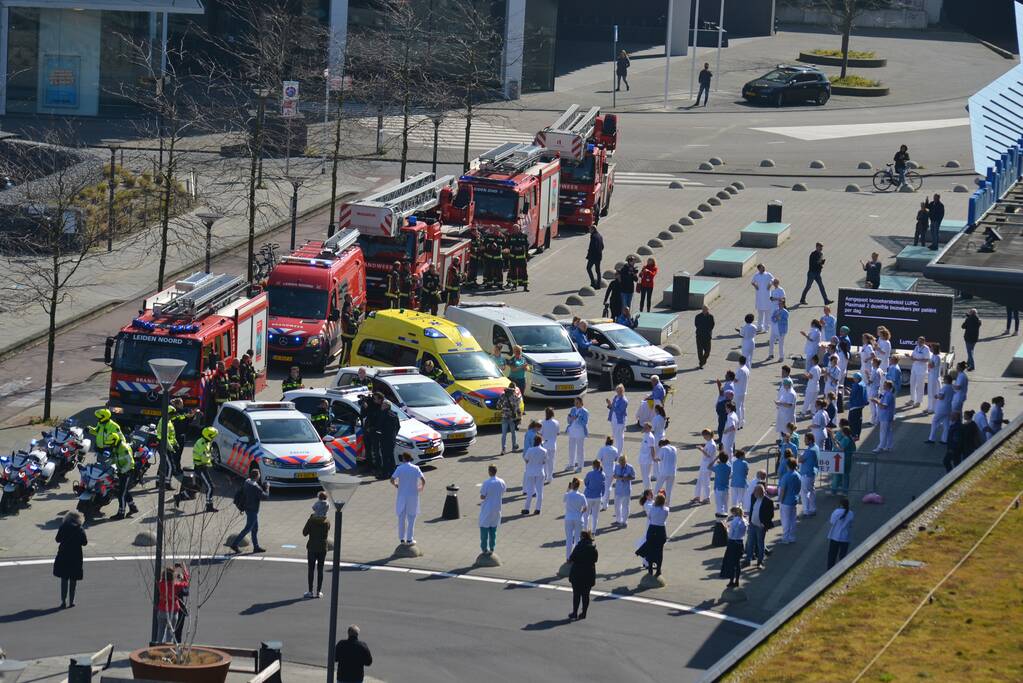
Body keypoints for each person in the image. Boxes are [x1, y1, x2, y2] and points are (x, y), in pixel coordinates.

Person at [230, 469, 270, 553]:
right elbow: (265, 496)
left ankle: (256, 547)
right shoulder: (255, 487)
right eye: (259, 474)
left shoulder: (247, 482)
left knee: (255, 528)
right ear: (257, 476)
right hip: (253, 510)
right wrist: (267, 487)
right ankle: (235, 544)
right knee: (248, 528)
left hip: (247, 508)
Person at [53, 511, 86, 608]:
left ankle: (63, 601)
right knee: (73, 579)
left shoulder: (63, 527)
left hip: (64, 555)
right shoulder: (80, 529)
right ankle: (72, 601)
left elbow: (57, 539)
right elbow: (84, 542)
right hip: (76, 556)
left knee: (64, 579)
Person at [300, 493, 330, 598]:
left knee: (311, 569)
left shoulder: (311, 521)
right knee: (320, 569)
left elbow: (304, 533)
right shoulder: (327, 522)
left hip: (312, 547)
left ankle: (310, 591)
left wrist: (310, 519)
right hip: (322, 547)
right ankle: (319, 591)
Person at [391, 453, 425, 545]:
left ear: (403, 459)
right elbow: (423, 479)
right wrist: (421, 487)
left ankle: (402, 539)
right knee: (411, 518)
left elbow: (392, 479)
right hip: (413, 497)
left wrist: (396, 485)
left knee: (401, 518)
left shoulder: (399, 468)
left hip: (402, 496)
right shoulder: (416, 468)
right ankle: (410, 539)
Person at [183, 427, 218, 513]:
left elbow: (208, 454)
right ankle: (209, 506)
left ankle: (179, 497)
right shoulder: (202, 444)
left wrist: (211, 457)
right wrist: (212, 460)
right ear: (208, 436)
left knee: (197, 487)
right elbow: (204, 458)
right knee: (210, 487)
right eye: (213, 436)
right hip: (200, 467)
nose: (214, 438)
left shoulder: (206, 441)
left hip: (202, 467)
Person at [637, 492, 669, 577]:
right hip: (661, 531)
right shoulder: (666, 509)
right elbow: (665, 517)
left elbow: (649, 517)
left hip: (652, 529)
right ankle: (658, 570)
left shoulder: (652, 508)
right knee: (660, 552)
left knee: (650, 549)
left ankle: (650, 569)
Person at [568, 531, 598, 620]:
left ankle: (575, 613)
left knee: (576, 595)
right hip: (588, 575)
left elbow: (572, 558)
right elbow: (595, 560)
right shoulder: (593, 548)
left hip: (577, 574)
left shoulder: (578, 547)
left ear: (582, 537)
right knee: (586, 595)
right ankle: (584, 613)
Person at [108, 432, 138, 519]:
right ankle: (133, 507)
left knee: (121, 493)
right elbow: (114, 458)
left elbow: (130, 462)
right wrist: (108, 464)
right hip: (121, 471)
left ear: (115, 441)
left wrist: (122, 471)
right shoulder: (116, 447)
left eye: (111, 443)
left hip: (127, 472)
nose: (110, 445)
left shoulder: (124, 448)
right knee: (123, 491)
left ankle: (121, 514)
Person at [156, 564, 189, 643]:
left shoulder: (161, 584)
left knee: (160, 632)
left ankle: (158, 647)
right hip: (173, 612)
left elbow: (162, 577)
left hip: (162, 610)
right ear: (173, 577)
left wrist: (172, 569)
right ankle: (168, 648)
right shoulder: (175, 586)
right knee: (170, 633)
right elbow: (186, 583)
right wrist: (184, 569)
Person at [478, 465, 506, 554]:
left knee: (484, 528)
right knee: (493, 529)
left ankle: (484, 549)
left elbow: (482, 496)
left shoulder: (487, 482)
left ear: (489, 472)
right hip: (497, 508)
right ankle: (492, 548)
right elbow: (503, 491)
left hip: (487, 508)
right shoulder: (501, 482)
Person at [744, 484, 773, 569]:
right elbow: (752, 510)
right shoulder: (753, 497)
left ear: (760, 493)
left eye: (755, 492)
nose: (753, 493)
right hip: (752, 524)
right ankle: (748, 560)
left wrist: (764, 524)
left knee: (760, 544)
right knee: (750, 543)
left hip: (760, 527)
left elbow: (770, 515)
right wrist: (750, 521)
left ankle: (760, 562)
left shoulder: (768, 501)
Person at [721, 506, 746, 588]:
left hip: (733, 544)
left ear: (734, 513)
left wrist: (726, 528)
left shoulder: (734, 522)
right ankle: (737, 581)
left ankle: (731, 580)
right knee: (737, 563)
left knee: (731, 563)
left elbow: (730, 535)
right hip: (740, 543)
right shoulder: (744, 520)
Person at [563, 478, 587, 561]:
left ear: (572, 486)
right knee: (577, 539)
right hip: (578, 518)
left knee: (569, 539)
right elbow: (585, 507)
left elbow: (564, 500)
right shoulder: (581, 496)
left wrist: (568, 489)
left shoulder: (568, 495)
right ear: (578, 486)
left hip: (569, 518)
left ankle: (568, 557)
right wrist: (580, 513)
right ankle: (576, 557)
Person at [778, 457, 801, 544]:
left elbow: (783, 490)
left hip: (786, 501)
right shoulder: (798, 475)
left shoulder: (786, 476)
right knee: (792, 519)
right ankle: (791, 536)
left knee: (785, 520)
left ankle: (785, 538)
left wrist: (780, 500)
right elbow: (799, 487)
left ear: (787, 465)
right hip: (794, 500)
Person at [522, 435, 547, 515]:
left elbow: (526, 460)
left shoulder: (530, 450)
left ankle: (527, 508)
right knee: (540, 492)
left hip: (531, 472)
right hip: (540, 472)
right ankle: (538, 509)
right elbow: (544, 461)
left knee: (530, 491)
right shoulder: (544, 451)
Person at [827, 498, 854, 569]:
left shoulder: (836, 512)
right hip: (845, 538)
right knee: (842, 556)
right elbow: (851, 525)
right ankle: (841, 569)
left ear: (840, 504)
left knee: (832, 555)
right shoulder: (851, 513)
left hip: (834, 536)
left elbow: (831, 522)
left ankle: (830, 570)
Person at [497, 382, 521, 455]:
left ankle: (503, 449)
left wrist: (503, 409)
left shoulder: (503, 395)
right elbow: (517, 408)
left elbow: (498, 406)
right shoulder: (515, 397)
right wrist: (519, 417)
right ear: (514, 388)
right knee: (513, 432)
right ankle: (514, 446)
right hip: (512, 418)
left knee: (504, 434)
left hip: (504, 416)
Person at [611, 454, 635, 526]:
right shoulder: (617, 466)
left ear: (625, 461)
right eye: (620, 463)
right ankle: (618, 520)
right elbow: (614, 475)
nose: (621, 464)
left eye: (623, 463)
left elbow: (633, 477)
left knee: (625, 506)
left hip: (626, 490)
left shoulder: (630, 467)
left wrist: (627, 478)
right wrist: (618, 477)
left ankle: (624, 521)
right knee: (617, 506)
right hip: (618, 489)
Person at [566, 397, 589, 472]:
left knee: (580, 450)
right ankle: (571, 465)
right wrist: (569, 418)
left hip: (580, 432)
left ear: (581, 403)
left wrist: (577, 419)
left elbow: (585, 422)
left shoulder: (585, 411)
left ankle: (580, 466)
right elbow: (569, 421)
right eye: (575, 402)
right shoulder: (573, 409)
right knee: (571, 449)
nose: (575, 404)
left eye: (577, 403)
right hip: (572, 431)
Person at [873, 379, 896, 452]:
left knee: (883, 432)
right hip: (887, 416)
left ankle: (880, 447)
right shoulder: (887, 393)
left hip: (885, 416)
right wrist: (878, 401)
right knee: (888, 432)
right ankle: (889, 446)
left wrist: (876, 402)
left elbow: (884, 406)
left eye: (884, 385)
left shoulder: (888, 395)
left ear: (888, 386)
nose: (883, 386)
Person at [583, 460, 606, 533]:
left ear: (593, 466)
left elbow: (586, 483)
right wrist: (602, 494)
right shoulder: (603, 474)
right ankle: (593, 531)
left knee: (586, 515)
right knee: (595, 516)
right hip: (598, 497)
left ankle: (585, 530)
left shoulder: (589, 474)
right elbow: (603, 486)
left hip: (588, 497)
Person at [751, 264, 774, 332]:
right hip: (760, 297)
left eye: (764, 267)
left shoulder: (768, 274)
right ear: (759, 269)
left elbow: (773, 279)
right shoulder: (756, 275)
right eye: (762, 267)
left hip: (767, 296)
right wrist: (755, 286)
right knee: (760, 314)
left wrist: (770, 284)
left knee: (767, 314)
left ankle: (766, 328)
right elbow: (752, 282)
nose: (764, 268)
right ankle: (759, 327)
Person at [596, 437, 618, 511]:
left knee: (602, 487)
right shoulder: (615, 449)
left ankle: (602, 502)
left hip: (603, 470)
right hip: (611, 471)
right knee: (608, 487)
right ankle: (605, 504)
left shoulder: (602, 449)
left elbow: (598, 459)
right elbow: (616, 459)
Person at [908, 336, 930, 407]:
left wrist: (917, 359)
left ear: (924, 342)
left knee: (920, 385)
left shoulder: (926, 348)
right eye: (918, 341)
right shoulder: (916, 347)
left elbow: (927, 359)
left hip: (921, 369)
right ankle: (912, 399)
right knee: (912, 383)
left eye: (920, 341)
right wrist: (909, 356)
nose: (919, 343)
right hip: (914, 368)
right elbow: (912, 357)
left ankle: (918, 401)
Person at [606, 384, 628, 454]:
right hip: (614, 419)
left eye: (620, 391)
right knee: (615, 435)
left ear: (623, 391)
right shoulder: (616, 397)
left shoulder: (624, 401)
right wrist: (609, 405)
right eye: (617, 391)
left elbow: (620, 411)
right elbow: (612, 408)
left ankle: (618, 454)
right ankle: (615, 451)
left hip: (620, 421)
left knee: (619, 437)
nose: (618, 393)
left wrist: (611, 405)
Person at [540, 407, 560, 482]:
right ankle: (550, 477)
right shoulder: (556, 422)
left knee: (544, 462)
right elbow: (558, 433)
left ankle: (545, 476)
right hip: (553, 444)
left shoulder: (543, 423)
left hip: (545, 444)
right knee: (551, 461)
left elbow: (540, 433)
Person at [656, 438, 678, 504]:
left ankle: (654, 502)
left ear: (661, 445)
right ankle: (667, 504)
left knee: (658, 488)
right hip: (672, 472)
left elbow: (659, 458)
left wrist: (654, 459)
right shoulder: (674, 448)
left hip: (664, 472)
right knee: (669, 490)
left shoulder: (663, 448)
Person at [847, 372, 867, 439]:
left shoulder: (856, 385)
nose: (853, 379)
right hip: (861, 405)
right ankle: (857, 435)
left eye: (854, 378)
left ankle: (853, 435)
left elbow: (853, 395)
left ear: (857, 379)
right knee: (858, 421)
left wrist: (849, 393)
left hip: (854, 406)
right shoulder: (863, 384)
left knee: (852, 421)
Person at [637, 422, 656, 492]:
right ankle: (649, 490)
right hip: (642, 458)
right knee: (644, 475)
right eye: (644, 427)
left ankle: (647, 491)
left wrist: (653, 458)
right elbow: (642, 431)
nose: (644, 428)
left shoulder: (651, 437)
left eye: (646, 427)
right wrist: (643, 430)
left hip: (647, 459)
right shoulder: (645, 434)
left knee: (646, 476)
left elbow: (652, 448)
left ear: (649, 428)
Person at [694, 304, 715, 369]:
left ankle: (703, 360)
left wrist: (707, 330)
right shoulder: (698, 316)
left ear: (708, 310)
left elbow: (712, 325)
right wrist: (701, 329)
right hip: (699, 336)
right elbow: (696, 324)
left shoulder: (710, 317)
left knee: (707, 351)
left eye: (705, 309)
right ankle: (701, 363)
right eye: (703, 309)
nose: (704, 310)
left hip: (707, 336)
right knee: (700, 351)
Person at [712, 451, 731, 517]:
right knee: (725, 504)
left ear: (719, 459)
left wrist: (715, 459)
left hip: (718, 488)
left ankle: (720, 519)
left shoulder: (717, 467)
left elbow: (708, 466)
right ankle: (725, 517)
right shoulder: (729, 467)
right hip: (726, 488)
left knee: (719, 504)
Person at [926, 342, 942, 413]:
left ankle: (933, 408)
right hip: (931, 376)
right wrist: (930, 364)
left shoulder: (938, 357)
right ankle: (929, 407)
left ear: (934, 349)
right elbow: (930, 365)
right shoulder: (932, 355)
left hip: (935, 377)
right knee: (930, 392)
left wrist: (930, 364)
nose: (930, 348)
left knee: (933, 392)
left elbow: (931, 366)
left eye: (931, 347)